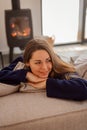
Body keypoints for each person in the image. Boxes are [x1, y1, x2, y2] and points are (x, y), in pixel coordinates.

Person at [0, 38, 87, 101]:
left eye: (48, 60)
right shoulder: (21, 61)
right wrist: (26, 74)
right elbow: (2, 73)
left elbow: (82, 88)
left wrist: (46, 83)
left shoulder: (58, 66)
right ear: (27, 62)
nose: (45, 68)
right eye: (38, 62)